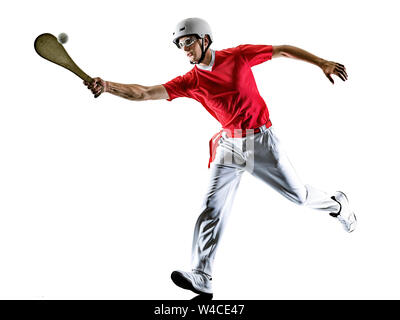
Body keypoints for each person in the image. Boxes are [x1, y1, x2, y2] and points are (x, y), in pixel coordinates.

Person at [84, 17, 356, 297]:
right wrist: (107, 86)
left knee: (298, 197)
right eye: (180, 44)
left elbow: (282, 49)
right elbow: (144, 93)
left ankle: (337, 205)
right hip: (228, 144)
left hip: (260, 141)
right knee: (212, 207)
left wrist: (322, 62)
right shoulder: (191, 81)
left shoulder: (237, 56)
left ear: (205, 39)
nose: (185, 49)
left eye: (188, 41)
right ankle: (202, 275)